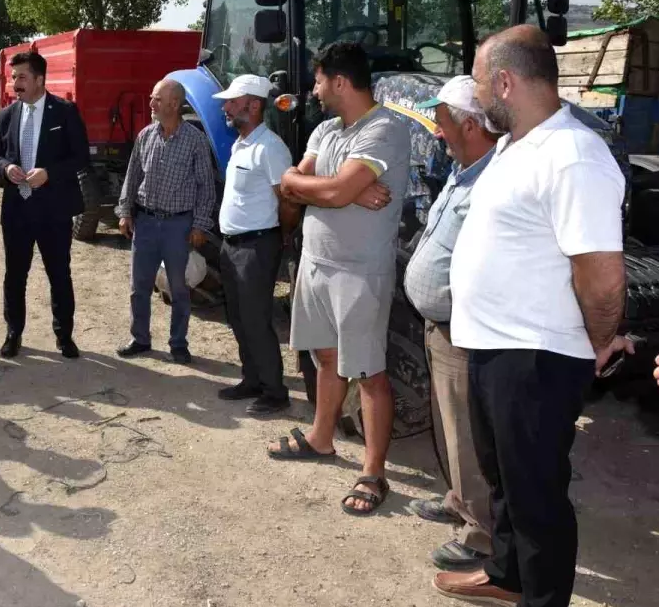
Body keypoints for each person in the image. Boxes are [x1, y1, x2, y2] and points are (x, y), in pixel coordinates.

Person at [434, 27, 630, 607]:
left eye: (476, 77)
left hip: (537, 357)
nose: (473, 92)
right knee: (503, 481)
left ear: (504, 82)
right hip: (496, 349)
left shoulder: (573, 154)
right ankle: (507, 576)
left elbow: (601, 276)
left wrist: (602, 344)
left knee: (537, 496)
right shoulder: (517, 145)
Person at [272, 41, 411, 517]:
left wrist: (326, 190)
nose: (313, 89)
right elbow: (299, 185)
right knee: (326, 356)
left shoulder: (385, 130)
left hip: (359, 272)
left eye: (317, 80)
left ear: (339, 81)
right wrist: (339, 191)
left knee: (369, 372)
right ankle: (321, 437)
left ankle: (374, 472)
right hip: (317, 261)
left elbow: (321, 188)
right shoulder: (326, 131)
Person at [401, 76, 499, 571]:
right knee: (447, 425)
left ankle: (481, 533)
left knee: (466, 431)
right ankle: (458, 498)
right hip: (439, 324)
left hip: (463, 330)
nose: (435, 132)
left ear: (468, 123)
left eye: (440, 120)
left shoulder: (493, 181)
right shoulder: (462, 171)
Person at [0, 50, 90, 359]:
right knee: (14, 275)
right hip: (17, 211)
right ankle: (13, 333)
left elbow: (81, 157)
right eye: (13, 76)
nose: (15, 83)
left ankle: (64, 336)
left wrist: (49, 173)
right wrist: (6, 168)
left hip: (54, 211)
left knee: (59, 274)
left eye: (21, 77)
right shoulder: (7, 114)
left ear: (39, 80)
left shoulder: (65, 112)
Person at [207, 74, 300, 414]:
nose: (226, 107)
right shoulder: (241, 143)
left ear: (254, 105)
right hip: (233, 245)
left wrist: (283, 234)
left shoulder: (270, 147)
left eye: (232, 101)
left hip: (257, 246)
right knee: (238, 316)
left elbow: (287, 200)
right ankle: (252, 379)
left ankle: (275, 391)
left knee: (256, 319)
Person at [114, 79, 216, 365]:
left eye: (156, 99)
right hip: (145, 222)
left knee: (179, 288)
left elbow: (205, 187)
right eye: (152, 97)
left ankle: (178, 344)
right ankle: (140, 339)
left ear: (174, 104)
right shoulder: (145, 136)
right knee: (139, 286)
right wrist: (124, 212)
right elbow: (133, 177)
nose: (151, 104)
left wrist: (199, 225)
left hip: (178, 227)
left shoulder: (195, 141)